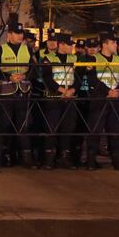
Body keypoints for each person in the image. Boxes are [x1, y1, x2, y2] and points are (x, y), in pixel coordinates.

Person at [0, 22, 35, 169]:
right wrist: (9, 77)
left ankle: (25, 158)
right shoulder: (1, 50)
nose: (20, 35)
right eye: (17, 33)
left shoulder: (28, 49)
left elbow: (35, 68)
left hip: (23, 91)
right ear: (9, 35)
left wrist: (26, 75)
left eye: (21, 33)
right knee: (4, 126)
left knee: (23, 125)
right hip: (6, 93)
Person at [83, 32, 119, 170]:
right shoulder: (93, 59)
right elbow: (92, 79)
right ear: (105, 44)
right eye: (113, 43)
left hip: (116, 100)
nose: (116, 45)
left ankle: (117, 160)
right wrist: (107, 91)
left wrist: (118, 91)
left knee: (116, 130)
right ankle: (91, 161)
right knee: (95, 130)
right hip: (99, 99)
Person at [40, 33, 81, 170]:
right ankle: (49, 158)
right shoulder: (48, 58)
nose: (72, 48)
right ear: (61, 45)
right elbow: (47, 78)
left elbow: (79, 78)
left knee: (68, 128)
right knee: (51, 128)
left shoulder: (75, 58)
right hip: (54, 98)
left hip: (70, 98)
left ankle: (64, 156)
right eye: (69, 45)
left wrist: (72, 90)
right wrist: (62, 90)